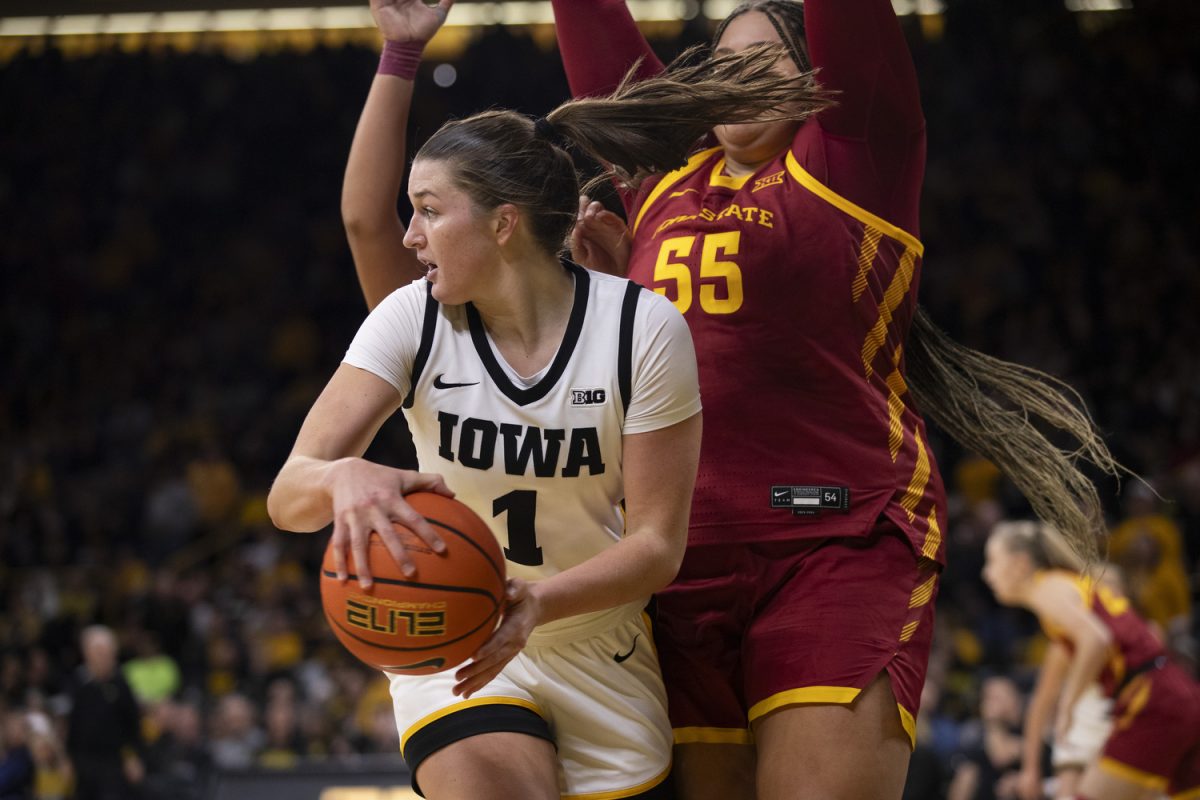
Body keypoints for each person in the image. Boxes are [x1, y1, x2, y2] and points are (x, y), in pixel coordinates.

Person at [347, 1, 1120, 797]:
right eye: (720, 62)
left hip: (836, 541)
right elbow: (592, 28)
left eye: (763, 60)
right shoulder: (660, 181)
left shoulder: (855, 162)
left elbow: (853, 34)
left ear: (814, 80)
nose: (733, 79)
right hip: (681, 562)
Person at [269, 4, 831, 796]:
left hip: (597, 643)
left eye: (430, 210)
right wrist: (340, 477)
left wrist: (536, 603)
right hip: (458, 643)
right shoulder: (413, 317)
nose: (409, 235)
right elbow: (288, 496)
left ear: (504, 224)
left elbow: (658, 547)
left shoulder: (640, 326)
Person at [982, 521, 1200, 800]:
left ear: (1020, 563)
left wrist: (1067, 707)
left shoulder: (1046, 587)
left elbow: (1096, 639)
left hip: (1152, 699)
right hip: (1176, 692)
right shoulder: (1068, 593)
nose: (986, 574)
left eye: (992, 562)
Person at [65, 626, 144, 800]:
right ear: (87, 654)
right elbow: (69, 726)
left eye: (108, 653)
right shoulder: (77, 683)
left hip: (113, 761)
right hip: (81, 760)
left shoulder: (121, 685)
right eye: (99, 653)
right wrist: (66, 759)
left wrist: (133, 757)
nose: (105, 658)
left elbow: (134, 726)